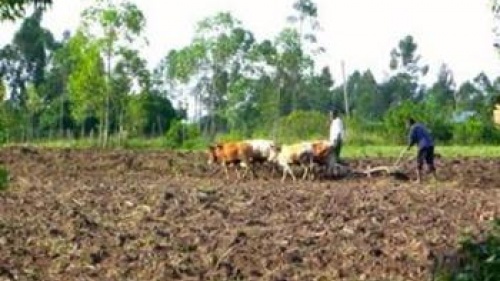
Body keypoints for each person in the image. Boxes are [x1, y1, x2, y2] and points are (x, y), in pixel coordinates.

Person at [405, 117, 437, 183]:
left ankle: (419, 180)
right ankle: (435, 178)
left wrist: (409, 147)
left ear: (409, 123)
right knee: (430, 162)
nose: (406, 126)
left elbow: (412, 140)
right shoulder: (421, 125)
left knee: (419, 162)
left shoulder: (413, 128)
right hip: (431, 145)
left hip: (423, 145)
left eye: (406, 124)